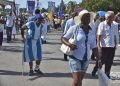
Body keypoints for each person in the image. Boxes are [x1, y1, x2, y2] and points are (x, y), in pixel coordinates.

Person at [62, 10, 101, 86]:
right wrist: (69, 45)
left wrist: (98, 59)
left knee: (80, 80)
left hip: (86, 59)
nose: (88, 18)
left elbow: (94, 47)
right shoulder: (74, 28)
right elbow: (63, 38)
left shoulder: (91, 31)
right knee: (76, 80)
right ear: (81, 18)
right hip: (75, 57)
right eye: (86, 16)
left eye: (88, 17)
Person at [92, 11, 119, 78]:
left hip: (112, 47)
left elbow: (116, 35)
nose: (114, 18)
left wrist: (116, 44)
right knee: (101, 61)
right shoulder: (102, 24)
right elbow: (99, 36)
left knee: (109, 62)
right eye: (113, 17)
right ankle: (95, 70)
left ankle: (107, 74)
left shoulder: (115, 25)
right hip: (104, 47)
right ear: (108, 17)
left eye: (114, 16)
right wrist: (98, 47)